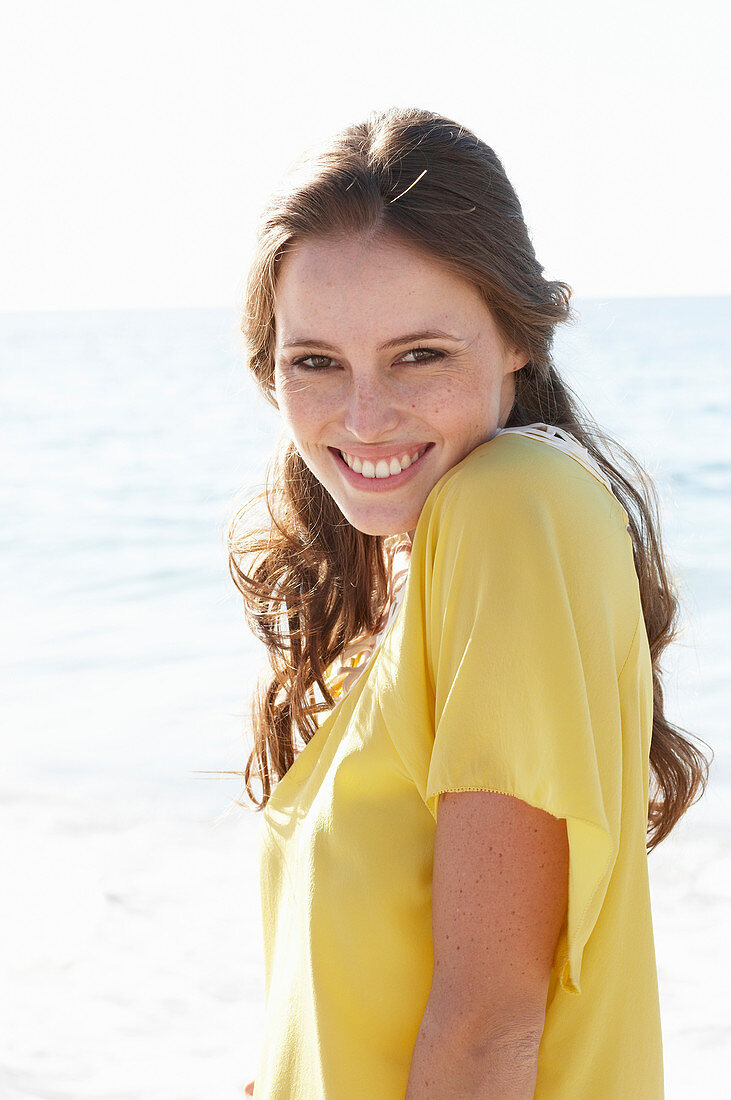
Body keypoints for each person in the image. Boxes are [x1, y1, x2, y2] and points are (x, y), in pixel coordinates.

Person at [228, 107, 711, 1098]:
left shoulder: (511, 507)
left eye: (418, 355)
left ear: (516, 342)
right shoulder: (427, 558)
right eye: (313, 360)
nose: (362, 416)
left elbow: (489, 1023)